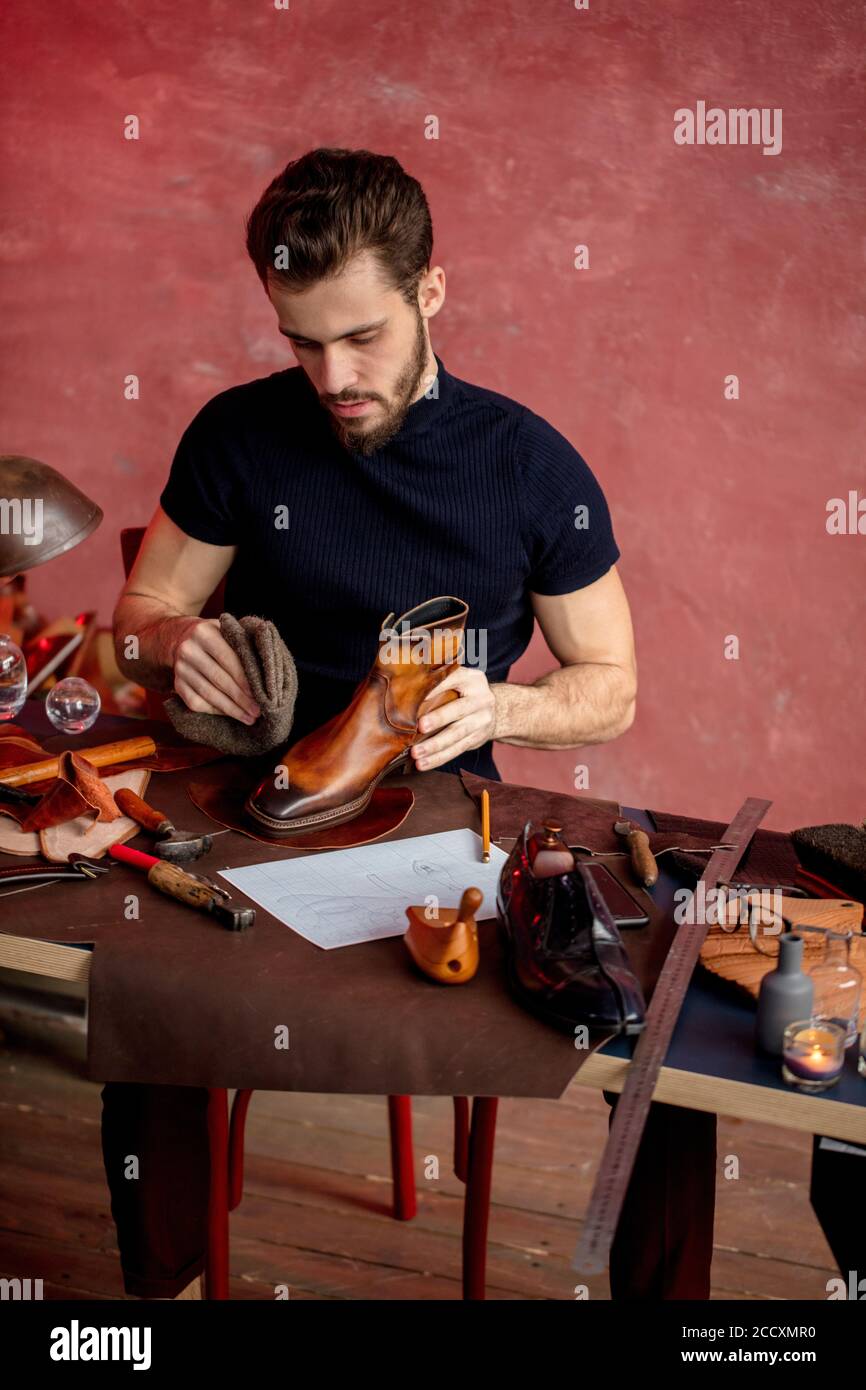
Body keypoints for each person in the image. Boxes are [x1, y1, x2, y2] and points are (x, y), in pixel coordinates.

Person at [107, 146, 714, 1300]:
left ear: (431, 291)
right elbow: (141, 613)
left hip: (443, 834)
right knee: (144, 989)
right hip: (263, 806)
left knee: (668, 1037)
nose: (332, 375)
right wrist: (179, 642)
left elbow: (612, 679)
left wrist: (511, 704)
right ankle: (164, 1290)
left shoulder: (529, 466)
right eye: (301, 340)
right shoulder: (238, 435)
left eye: (363, 336)